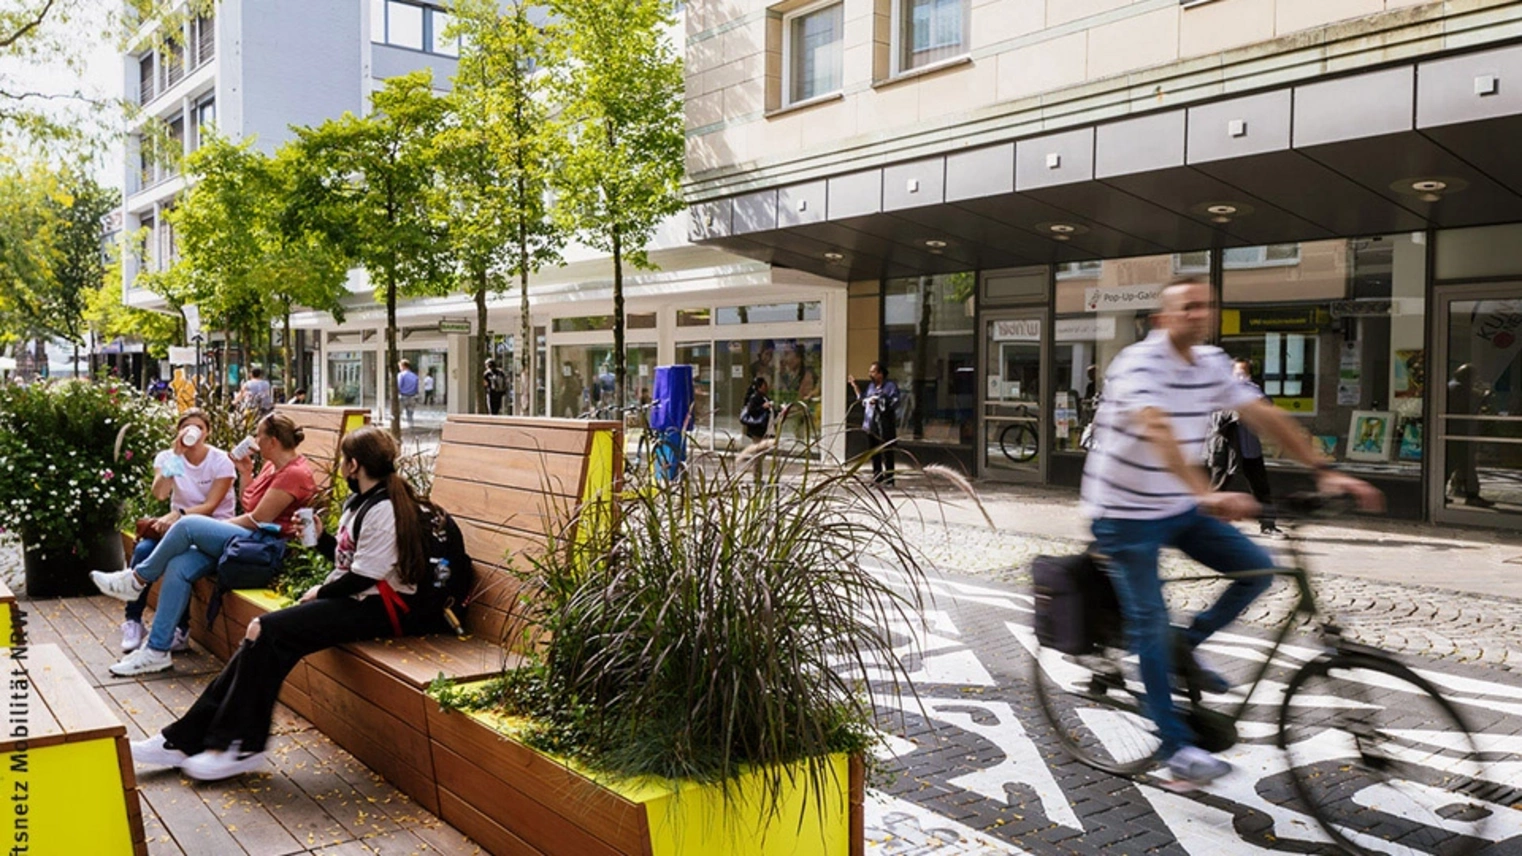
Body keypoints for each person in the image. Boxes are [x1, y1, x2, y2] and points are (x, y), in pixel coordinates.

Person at [1080, 277, 1381, 785]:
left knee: (1257, 569)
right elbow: (1155, 426)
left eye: (1206, 306)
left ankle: (1184, 645)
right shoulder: (1137, 363)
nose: (1199, 314)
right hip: (1124, 511)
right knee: (1150, 619)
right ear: (1162, 319)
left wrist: (1323, 469)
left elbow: (1262, 414)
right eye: (1187, 306)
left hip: (1178, 504)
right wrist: (1206, 493)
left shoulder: (1212, 363)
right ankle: (1176, 748)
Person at [128, 426, 432, 781]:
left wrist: (321, 593)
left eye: (344, 462)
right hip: (360, 599)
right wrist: (322, 540)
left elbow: (365, 577)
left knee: (265, 630)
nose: (342, 468)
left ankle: (236, 746)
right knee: (262, 636)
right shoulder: (360, 502)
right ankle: (189, 740)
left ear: (353, 465)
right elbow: (350, 561)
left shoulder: (383, 509)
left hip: (385, 610)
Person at [91, 413, 319, 676]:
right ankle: (157, 650)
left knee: (187, 524)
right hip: (244, 538)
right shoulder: (272, 467)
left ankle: (136, 581)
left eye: (259, 436)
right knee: (178, 565)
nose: (255, 441)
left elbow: (258, 520)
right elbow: (249, 504)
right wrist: (246, 472)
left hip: (263, 545)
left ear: (273, 441)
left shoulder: (293, 473)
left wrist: (209, 528)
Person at [121, 409, 237, 654]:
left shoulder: (220, 461)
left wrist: (180, 514)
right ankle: (133, 621)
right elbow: (160, 493)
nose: (193, 432)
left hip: (213, 529)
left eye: (199, 428)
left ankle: (180, 629)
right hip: (177, 530)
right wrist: (176, 455)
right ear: (178, 430)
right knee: (143, 550)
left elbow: (211, 506)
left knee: (178, 559)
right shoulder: (168, 457)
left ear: (207, 432)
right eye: (187, 427)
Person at [1206, 359, 1284, 538]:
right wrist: (1236, 412)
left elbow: (1267, 406)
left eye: (1245, 372)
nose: (1242, 376)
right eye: (1238, 372)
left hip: (1250, 447)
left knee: (1261, 488)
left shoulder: (1253, 389)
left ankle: (1268, 525)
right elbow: (1215, 419)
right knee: (1218, 487)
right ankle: (1207, 527)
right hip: (1227, 449)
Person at [848, 362, 900, 485]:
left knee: (887, 451)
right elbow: (862, 398)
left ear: (880, 374)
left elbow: (895, 402)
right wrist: (855, 386)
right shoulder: (871, 387)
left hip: (885, 424)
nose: (870, 374)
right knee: (873, 451)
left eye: (873, 372)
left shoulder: (890, 386)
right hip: (871, 423)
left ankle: (889, 478)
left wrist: (880, 401)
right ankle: (877, 476)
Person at [739, 376, 773, 442]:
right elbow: (752, 410)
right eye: (764, 386)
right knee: (758, 445)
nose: (766, 387)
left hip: (766, 429)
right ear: (759, 387)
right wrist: (762, 407)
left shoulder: (764, 397)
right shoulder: (755, 397)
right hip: (757, 428)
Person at [397, 360, 420, 429]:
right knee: (410, 414)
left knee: (398, 413)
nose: (399, 368)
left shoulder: (401, 375)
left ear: (403, 366)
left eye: (400, 366)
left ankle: (398, 427)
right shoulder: (414, 376)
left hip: (403, 396)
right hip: (412, 397)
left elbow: (399, 385)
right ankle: (410, 426)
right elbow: (416, 387)